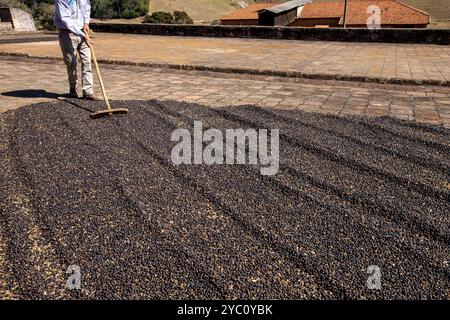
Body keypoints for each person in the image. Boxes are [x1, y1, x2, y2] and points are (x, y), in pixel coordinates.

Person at [54, 0, 95, 99]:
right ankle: (73, 89)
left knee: (87, 61)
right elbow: (66, 20)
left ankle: (88, 92)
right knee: (71, 63)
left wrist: (86, 23)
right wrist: (83, 35)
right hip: (67, 32)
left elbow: (86, 9)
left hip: (82, 31)